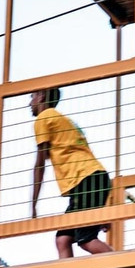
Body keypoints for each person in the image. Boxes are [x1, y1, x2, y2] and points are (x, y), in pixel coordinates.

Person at [30, 88, 112, 259]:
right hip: (91, 179)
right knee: (63, 238)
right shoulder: (62, 120)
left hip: (85, 180)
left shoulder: (43, 118)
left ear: (41, 97)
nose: (29, 103)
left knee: (86, 239)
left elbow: (40, 164)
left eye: (32, 97)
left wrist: (34, 203)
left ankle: (125, 265)